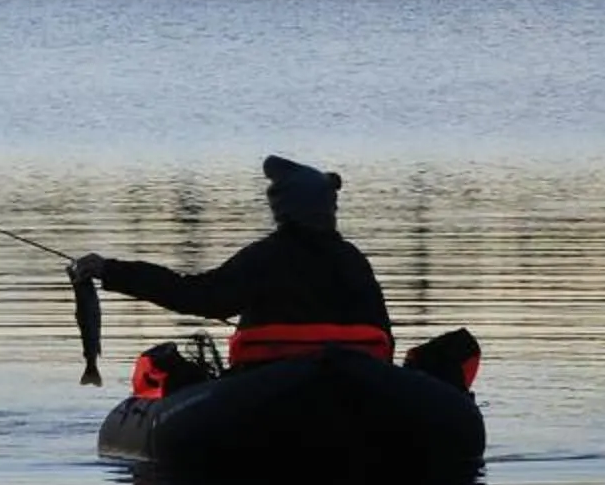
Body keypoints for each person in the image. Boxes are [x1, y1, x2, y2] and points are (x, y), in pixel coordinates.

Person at [72, 156, 395, 369]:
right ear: (326, 209)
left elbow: (196, 295)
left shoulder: (264, 258)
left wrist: (109, 270)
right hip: (348, 385)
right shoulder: (352, 261)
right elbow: (384, 337)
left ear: (282, 210)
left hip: (265, 387)